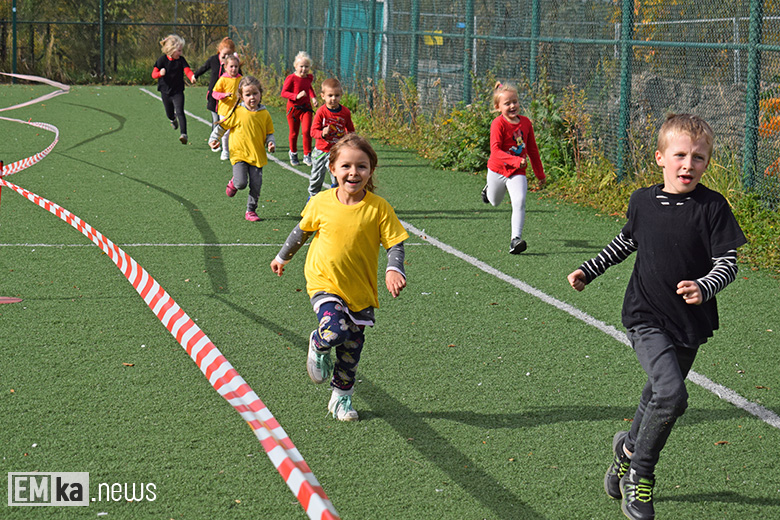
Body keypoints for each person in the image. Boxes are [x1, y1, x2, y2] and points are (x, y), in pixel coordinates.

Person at [566, 113, 747, 520]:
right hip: (645, 316)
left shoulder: (713, 207)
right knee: (671, 395)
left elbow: (729, 263)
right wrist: (590, 270)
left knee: (655, 397)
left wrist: (706, 285)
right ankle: (640, 476)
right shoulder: (642, 202)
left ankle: (626, 450)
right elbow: (626, 241)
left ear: (707, 163)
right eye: (680, 155)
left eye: (699, 158)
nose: (689, 165)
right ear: (660, 158)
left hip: (689, 324)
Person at [270, 134, 408, 421]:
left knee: (351, 349)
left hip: (360, 291)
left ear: (371, 170)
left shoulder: (378, 208)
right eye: (346, 166)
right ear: (332, 168)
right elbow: (301, 232)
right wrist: (283, 257)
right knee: (334, 330)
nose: (353, 173)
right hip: (324, 282)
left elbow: (395, 242)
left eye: (362, 166)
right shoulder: (321, 202)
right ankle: (318, 344)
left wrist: (394, 268)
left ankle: (341, 399)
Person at [481, 81, 546, 254]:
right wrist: (516, 160)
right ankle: (488, 190)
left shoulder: (526, 123)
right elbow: (495, 152)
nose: (512, 106)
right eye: (507, 103)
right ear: (497, 107)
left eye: (515, 102)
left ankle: (515, 239)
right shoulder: (498, 124)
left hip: (517, 172)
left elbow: (532, 150)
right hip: (497, 170)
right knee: (494, 202)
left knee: (519, 201)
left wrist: (540, 175)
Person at [208, 76, 275, 222]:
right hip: (239, 155)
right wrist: (213, 139)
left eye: (255, 94)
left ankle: (251, 210)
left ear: (260, 94)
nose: (252, 97)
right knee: (241, 183)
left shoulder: (264, 114)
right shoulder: (237, 112)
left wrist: (270, 143)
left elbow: (270, 133)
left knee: (256, 185)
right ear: (241, 96)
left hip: (257, 156)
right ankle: (234, 182)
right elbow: (222, 126)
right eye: (248, 94)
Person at [308, 78, 355, 198]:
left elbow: (350, 130)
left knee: (338, 176)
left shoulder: (345, 112)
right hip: (321, 151)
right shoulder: (321, 112)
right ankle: (313, 198)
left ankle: (337, 197)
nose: (333, 99)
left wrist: (350, 141)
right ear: (323, 96)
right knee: (317, 177)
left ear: (341, 95)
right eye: (330, 95)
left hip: (337, 151)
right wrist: (322, 133)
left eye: (336, 95)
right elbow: (313, 132)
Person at [194, 37, 239, 152]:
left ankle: (229, 142)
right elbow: (204, 67)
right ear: (219, 51)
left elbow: (240, 77)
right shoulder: (213, 60)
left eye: (229, 55)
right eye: (224, 55)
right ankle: (214, 141)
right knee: (217, 119)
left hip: (228, 99)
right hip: (214, 96)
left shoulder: (232, 65)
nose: (226, 58)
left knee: (229, 120)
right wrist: (195, 75)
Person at [152, 34, 196, 145]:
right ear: (171, 50)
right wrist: (159, 74)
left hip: (178, 91)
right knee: (169, 113)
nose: (181, 53)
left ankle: (184, 134)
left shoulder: (181, 60)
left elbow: (187, 70)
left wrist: (191, 77)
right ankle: (172, 119)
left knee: (180, 111)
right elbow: (153, 74)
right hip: (165, 91)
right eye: (179, 51)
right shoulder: (162, 60)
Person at [281, 51, 317, 167]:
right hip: (293, 109)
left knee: (307, 131)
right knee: (294, 132)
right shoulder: (291, 78)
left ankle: (307, 155)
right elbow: (284, 93)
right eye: (301, 66)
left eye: (306, 67)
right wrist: (295, 96)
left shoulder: (309, 78)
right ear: (295, 66)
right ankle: (293, 152)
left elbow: (309, 87)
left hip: (306, 108)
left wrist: (313, 97)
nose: (304, 69)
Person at [211, 55, 243, 161]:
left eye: (236, 67)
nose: (234, 69)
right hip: (225, 110)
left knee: (238, 131)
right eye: (231, 66)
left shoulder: (240, 79)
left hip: (237, 110)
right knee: (225, 132)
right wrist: (223, 95)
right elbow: (214, 93)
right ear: (226, 67)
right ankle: (225, 150)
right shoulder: (223, 79)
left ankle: (237, 150)